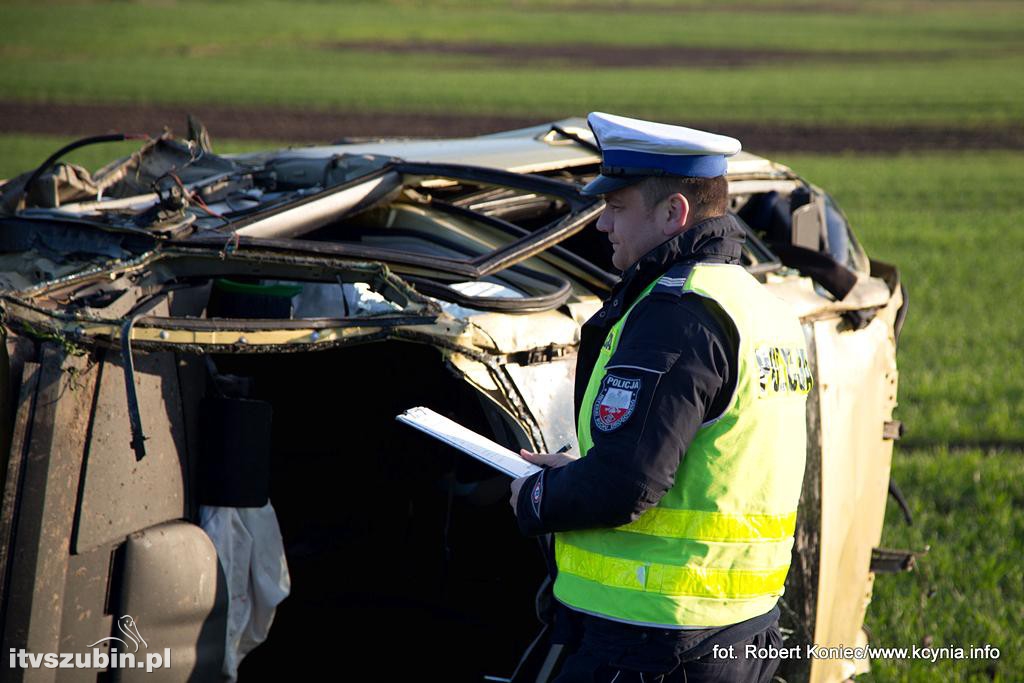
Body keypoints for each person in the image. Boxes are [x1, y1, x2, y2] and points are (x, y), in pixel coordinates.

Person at [509, 112, 812, 683]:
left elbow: (626, 484)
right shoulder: (762, 307)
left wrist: (538, 497)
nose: (603, 224)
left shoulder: (675, 315)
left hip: (653, 648)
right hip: (740, 632)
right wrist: (580, 471)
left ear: (674, 213)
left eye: (617, 207)